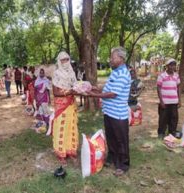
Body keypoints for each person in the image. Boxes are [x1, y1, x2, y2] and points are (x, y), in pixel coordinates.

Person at [89, 47, 131, 176]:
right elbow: (109, 87)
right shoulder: (115, 72)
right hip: (109, 112)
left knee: (121, 139)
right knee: (111, 137)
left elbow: (113, 93)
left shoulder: (123, 73)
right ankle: (112, 157)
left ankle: (123, 164)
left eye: (113, 58)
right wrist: (96, 88)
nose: (110, 60)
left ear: (121, 58)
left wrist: (94, 95)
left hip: (118, 114)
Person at [52, 51, 80, 164]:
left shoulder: (72, 73)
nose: (65, 62)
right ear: (59, 61)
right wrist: (68, 92)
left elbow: (76, 86)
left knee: (71, 126)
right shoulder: (57, 73)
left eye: (67, 59)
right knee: (61, 127)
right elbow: (55, 92)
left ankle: (71, 150)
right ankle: (61, 153)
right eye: (63, 60)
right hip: (61, 105)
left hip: (71, 104)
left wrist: (80, 89)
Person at [157, 58, 181, 138]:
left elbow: (178, 88)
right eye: (170, 65)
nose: (172, 67)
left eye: (174, 65)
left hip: (174, 101)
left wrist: (179, 100)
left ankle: (172, 132)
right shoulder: (162, 75)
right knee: (163, 118)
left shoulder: (176, 76)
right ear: (167, 66)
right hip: (165, 102)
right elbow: (158, 88)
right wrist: (161, 101)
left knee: (174, 118)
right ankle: (161, 133)